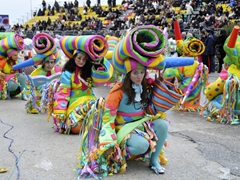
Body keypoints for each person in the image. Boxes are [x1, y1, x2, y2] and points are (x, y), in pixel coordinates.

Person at [52, 36, 113, 134]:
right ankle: (91, 127)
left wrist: (98, 61)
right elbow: (63, 93)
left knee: (101, 116)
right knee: (75, 128)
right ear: (73, 58)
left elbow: (100, 79)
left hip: (90, 102)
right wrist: (61, 111)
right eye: (79, 58)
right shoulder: (67, 73)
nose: (81, 61)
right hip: (75, 104)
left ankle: (92, 126)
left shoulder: (89, 71)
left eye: (84, 59)